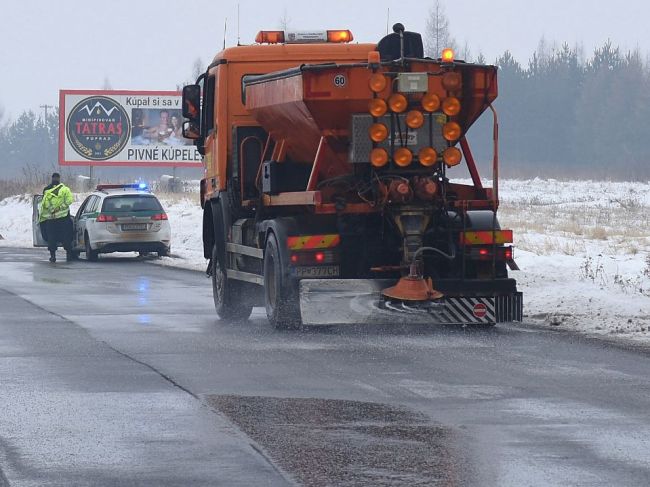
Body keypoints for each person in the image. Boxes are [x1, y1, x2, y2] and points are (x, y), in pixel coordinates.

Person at [39, 173, 74, 263]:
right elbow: (69, 201)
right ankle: (69, 255)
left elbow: (44, 203)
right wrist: (60, 207)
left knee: (51, 237)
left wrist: (52, 209)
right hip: (64, 218)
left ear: (52, 178)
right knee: (66, 236)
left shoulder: (46, 190)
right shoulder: (65, 189)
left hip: (51, 218)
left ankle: (53, 256)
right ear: (59, 179)